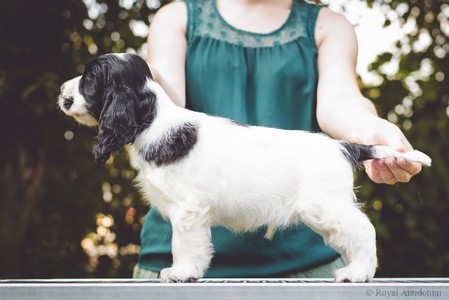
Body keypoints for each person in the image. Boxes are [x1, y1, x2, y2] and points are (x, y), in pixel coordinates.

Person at [133, 0, 423, 279]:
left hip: (303, 265)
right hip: (170, 263)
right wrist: (138, 80)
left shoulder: (328, 26)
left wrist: (368, 131)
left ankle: (362, 252)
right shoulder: (176, 17)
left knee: (329, 211)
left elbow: (340, 99)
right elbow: (166, 100)